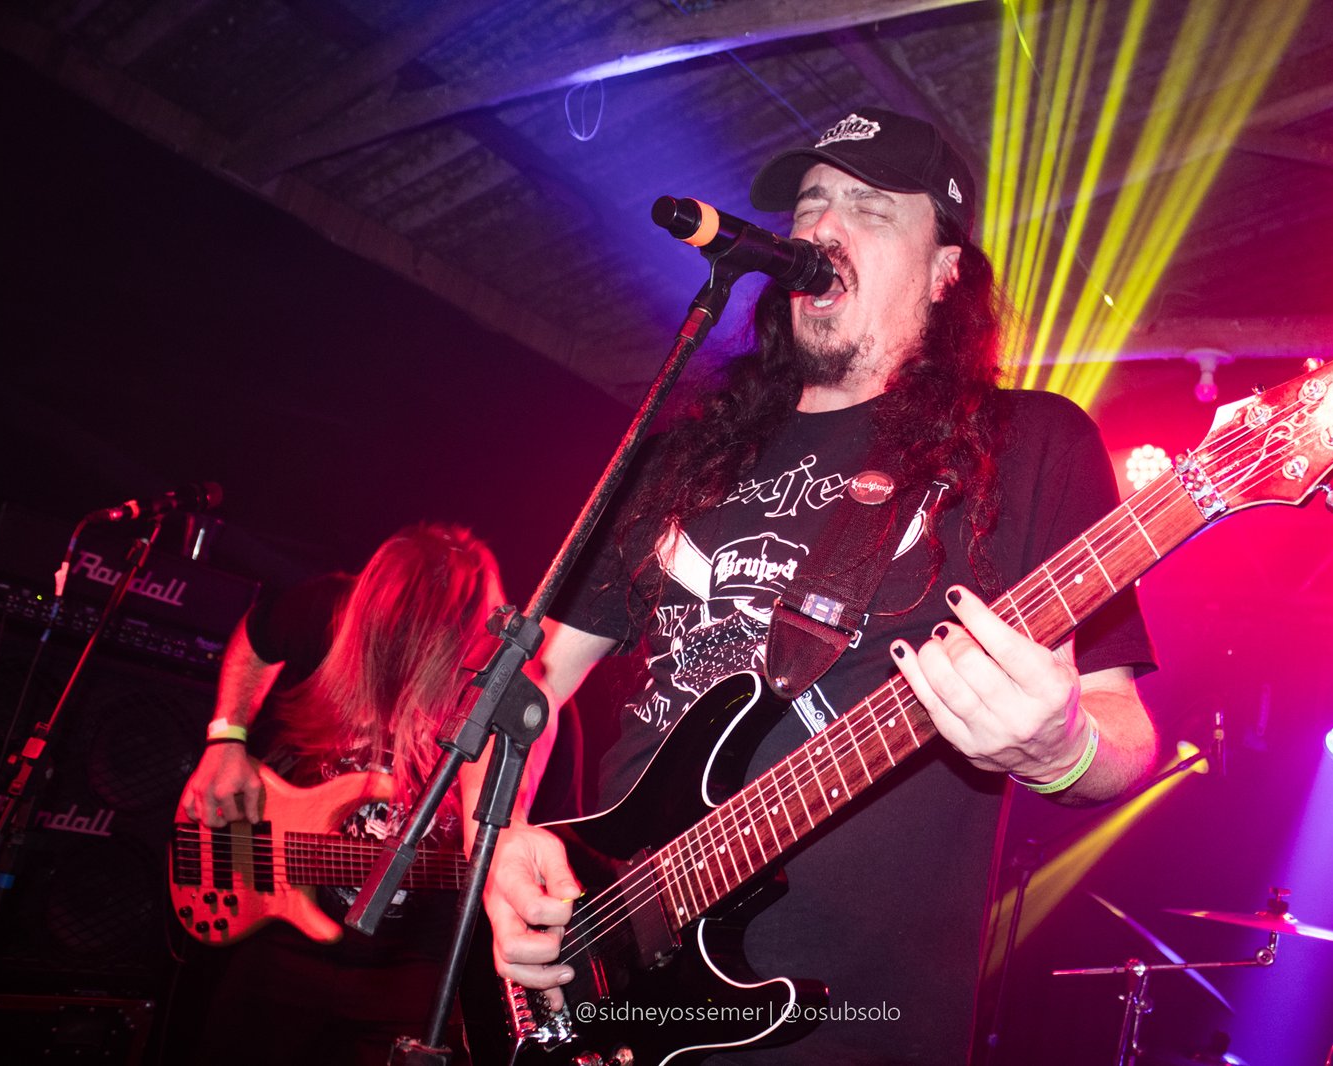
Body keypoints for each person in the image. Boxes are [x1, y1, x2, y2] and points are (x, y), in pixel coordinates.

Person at [486, 107, 1161, 1063]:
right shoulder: (684, 458)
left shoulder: (1029, 445)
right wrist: (499, 844)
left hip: (856, 1027)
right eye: (811, 204)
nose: (825, 228)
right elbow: (524, 685)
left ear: (945, 271)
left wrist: (1059, 750)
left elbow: (1122, 727)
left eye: (871, 208)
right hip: (605, 978)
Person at [177, 522, 537, 1066]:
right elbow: (256, 637)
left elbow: (520, 832)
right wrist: (225, 739)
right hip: (283, 934)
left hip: (413, 967)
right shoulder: (331, 609)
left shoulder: (500, 685)